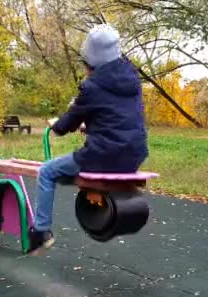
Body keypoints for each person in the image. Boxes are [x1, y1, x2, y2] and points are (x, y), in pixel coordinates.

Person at [27, 24, 149, 255]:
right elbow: (118, 117)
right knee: (67, 170)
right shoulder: (132, 80)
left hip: (103, 155)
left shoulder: (91, 87)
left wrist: (57, 123)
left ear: (90, 64)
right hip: (135, 154)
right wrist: (91, 126)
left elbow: (64, 128)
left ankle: (39, 233)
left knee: (47, 172)